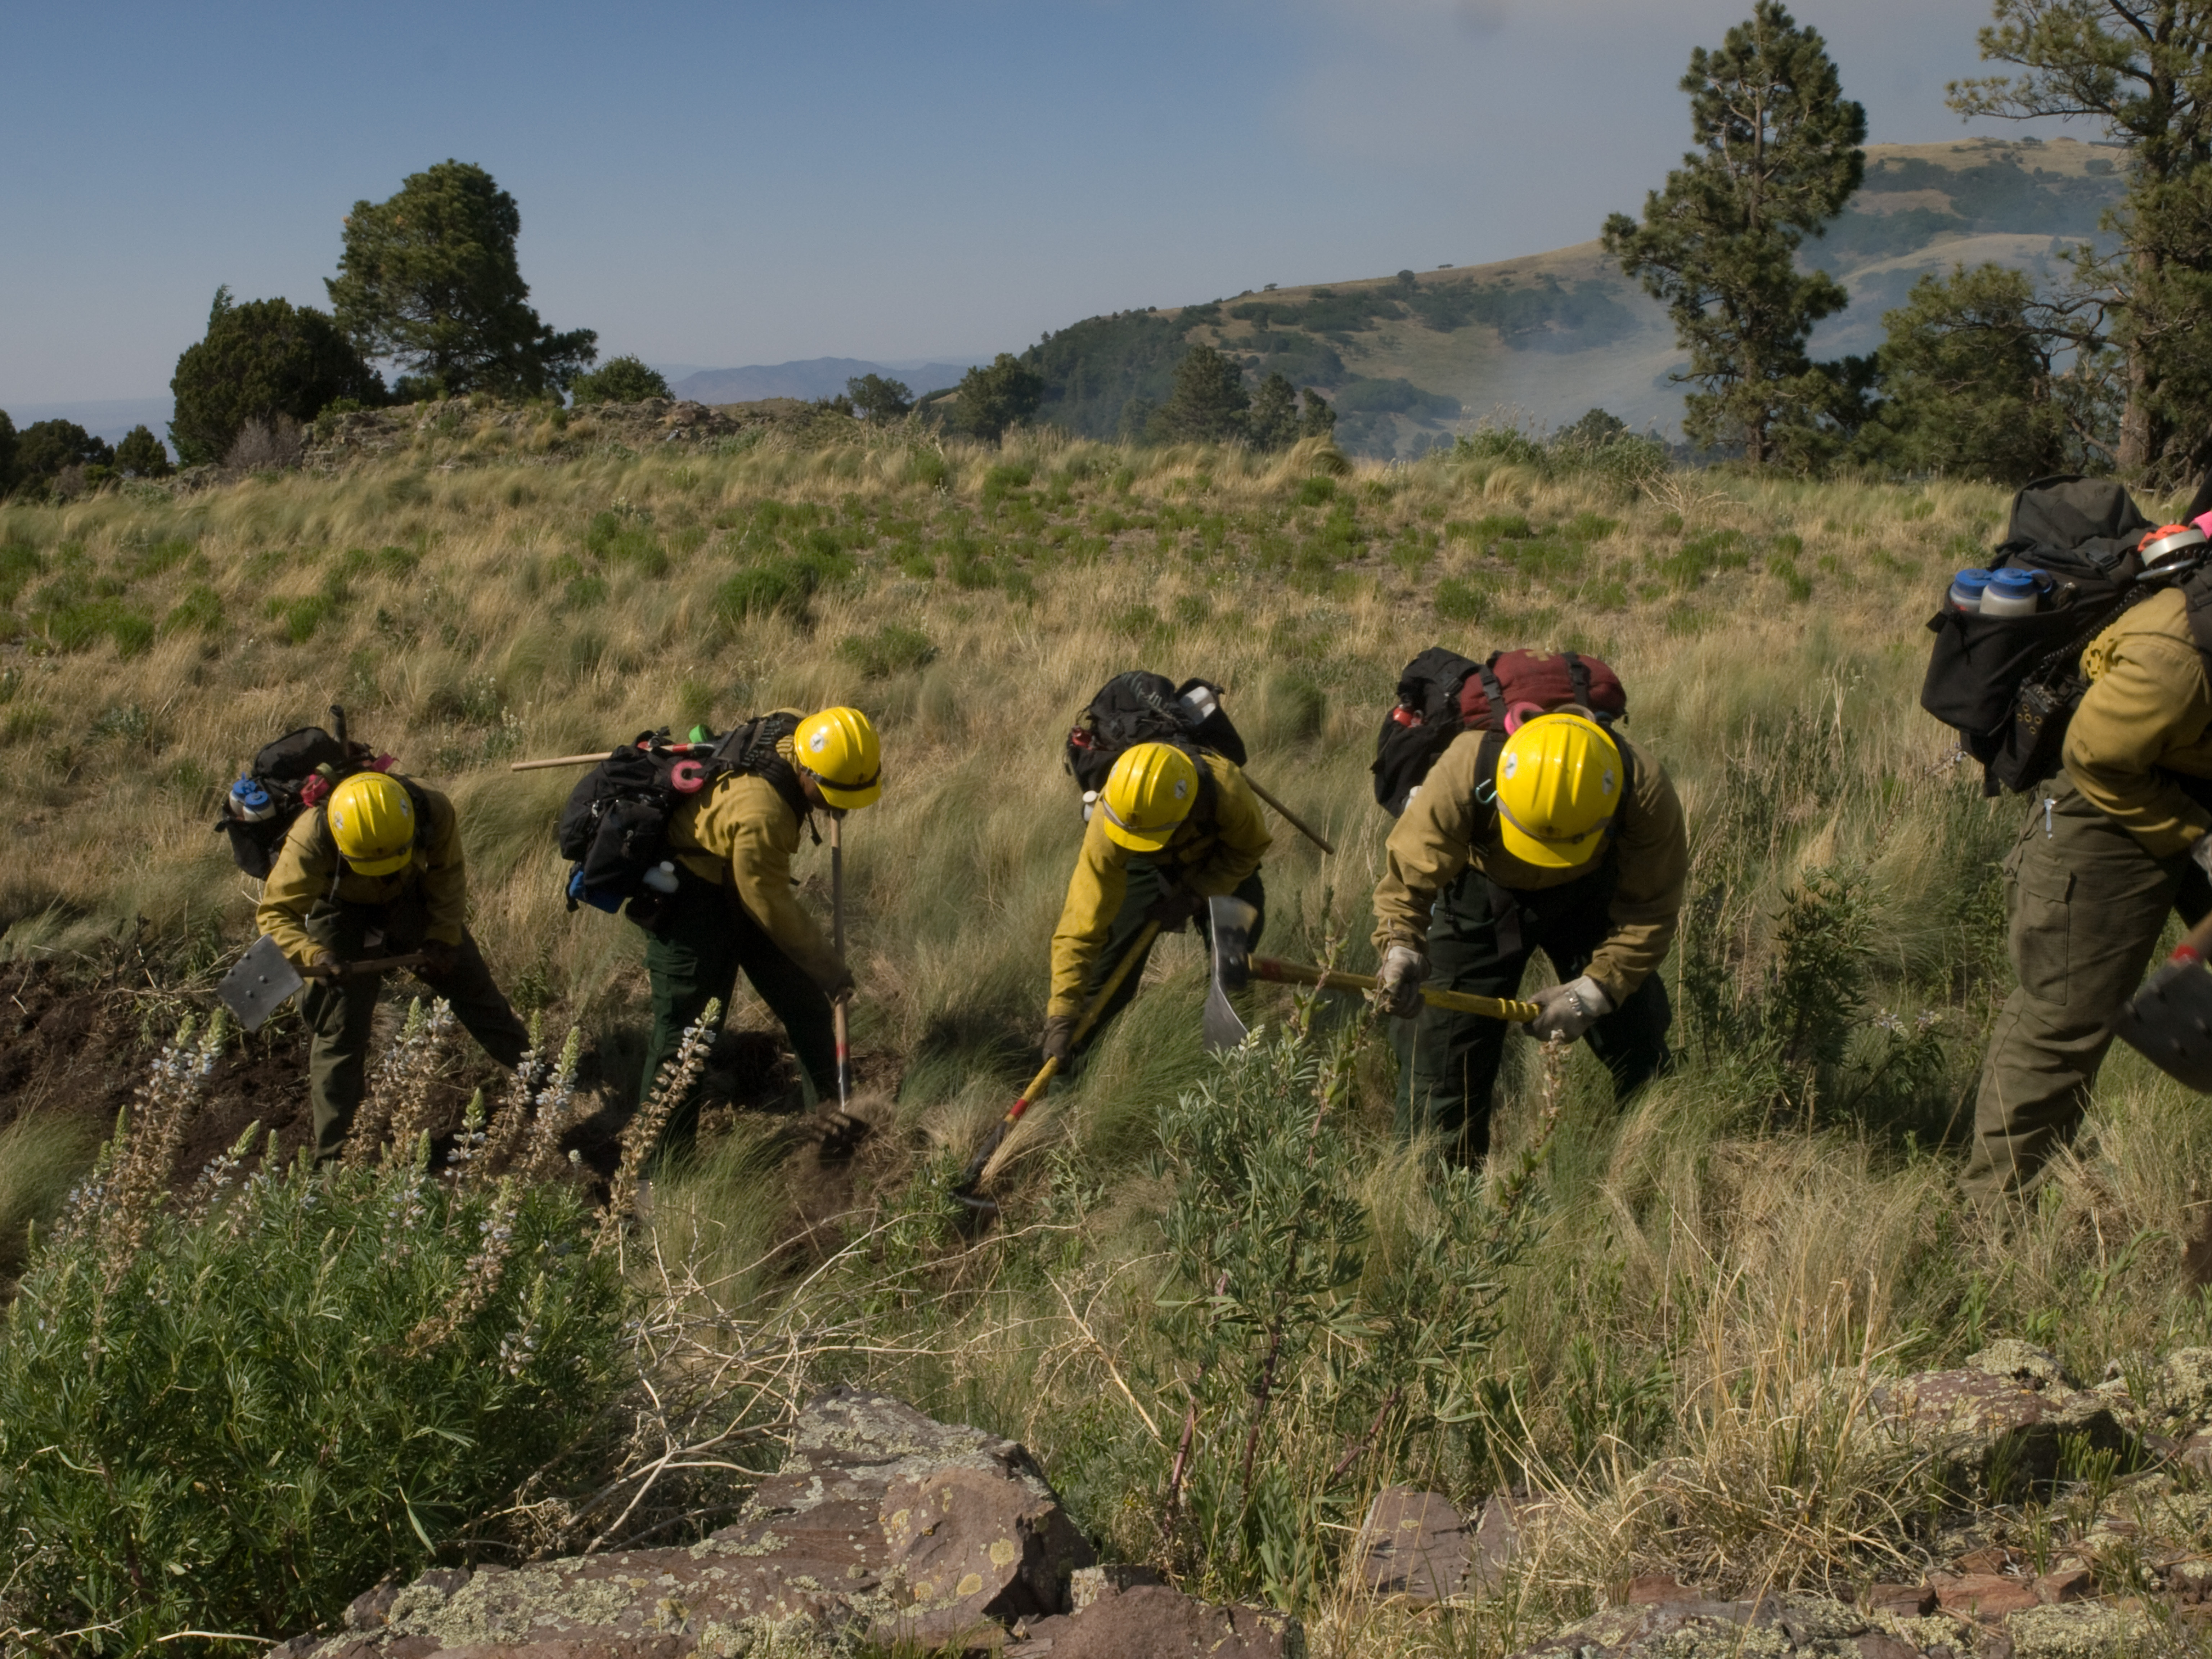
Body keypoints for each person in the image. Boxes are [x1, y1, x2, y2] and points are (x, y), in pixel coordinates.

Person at [1963, 581, 2212, 1204]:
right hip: (2105, 791)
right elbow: (2095, 755)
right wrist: (2199, 836)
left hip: (2195, 761)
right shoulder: (2172, 658)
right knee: (2065, 1012)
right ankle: (1991, 1220)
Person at [1371, 710, 1687, 1165]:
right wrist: (1401, 948)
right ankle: (1435, 1208)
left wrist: (1592, 995)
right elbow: (1407, 883)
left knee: (1638, 1042)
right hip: (1479, 889)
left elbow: (1650, 912)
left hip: (1592, 890)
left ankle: (1659, 1170)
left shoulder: (1643, 789)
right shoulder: (1464, 772)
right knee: (1440, 1065)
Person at [258, 768, 531, 1161]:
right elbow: (275, 914)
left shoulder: (432, 811)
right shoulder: (312, 837)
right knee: (340, 1027)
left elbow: (447, 874)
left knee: (473, 987)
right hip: (340, 906)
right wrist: (315, 954)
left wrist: (443, 937)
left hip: (408, 893)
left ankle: (539, 1086)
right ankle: (340, 1158)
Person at [640, 705, 882, 1149]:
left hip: (738, 877)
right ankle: (657, 1169)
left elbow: (761, 895)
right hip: (688, 895)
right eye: (832, 799)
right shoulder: (764, 815)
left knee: (805, 1002)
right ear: (808, 772)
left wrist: (817, 976)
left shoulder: (797, 729)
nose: (836, 810)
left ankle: (832, 1117)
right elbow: (767, 901)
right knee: (686, 1036)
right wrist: (829, 966)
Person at [1043, 739, 1271, 1062]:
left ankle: (1230, 1073)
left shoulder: (1227, 791)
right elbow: (1082, 919)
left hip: (1220, 857)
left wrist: (1195, 895)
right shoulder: (1113, 820)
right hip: (1145, 864)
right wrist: (1062, 1014)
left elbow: (1248, 849)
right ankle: (1067, 1074)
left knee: (1231, 968)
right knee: (1107, 970)